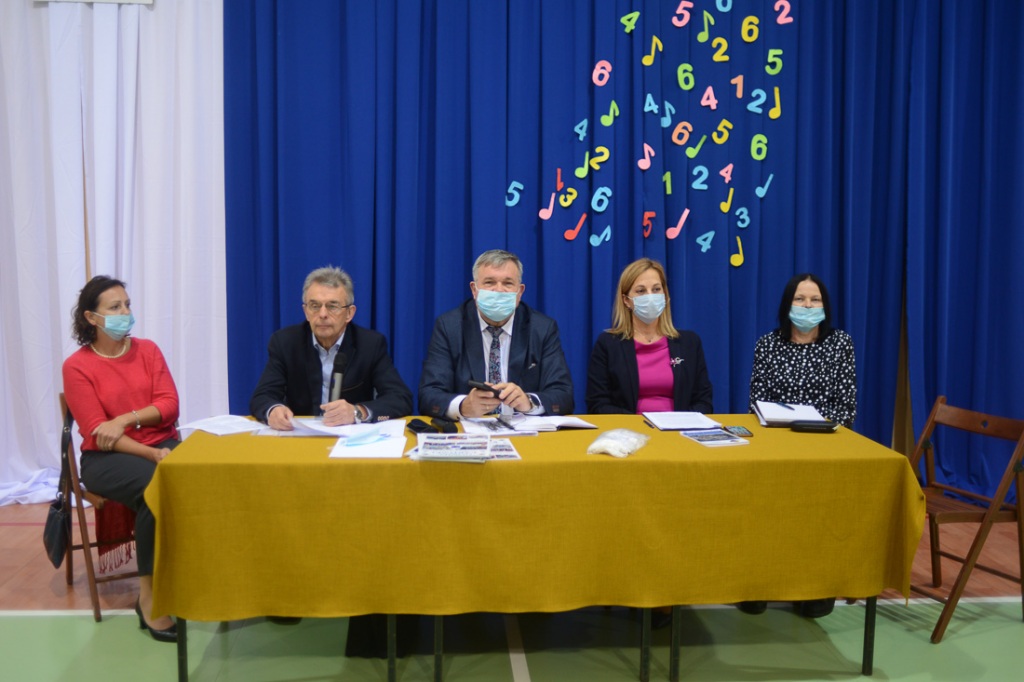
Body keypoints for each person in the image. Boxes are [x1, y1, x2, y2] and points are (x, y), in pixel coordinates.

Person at [61, 276, 180, 643]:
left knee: (203, 479)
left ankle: (190, 581)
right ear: (91, 317)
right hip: (106, 459)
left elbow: (169, 405)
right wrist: (151, 452)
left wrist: (126, 419)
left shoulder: (148, 351)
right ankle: (149, 599)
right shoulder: (77, 366)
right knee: (154, 488)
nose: (125, 312)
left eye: (127, 304)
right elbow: (99, 433)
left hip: (162, 443)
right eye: (115, 307)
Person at [740, 272, 857, 619]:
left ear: (825, 305)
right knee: (766, 509)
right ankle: (759, 582)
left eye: (815, 299)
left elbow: (845, 408)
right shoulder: (768, 344)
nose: (807, 306)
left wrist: (811, 430)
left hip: (824, 448)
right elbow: (757, 404)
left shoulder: (840, 344)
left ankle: (815, 585)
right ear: (787, 305)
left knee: (817, 514)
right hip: (776, 447)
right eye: (800, 299)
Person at [249, 266, 413, 429]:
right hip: (300, 436)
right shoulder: (285, 342)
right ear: (306, 311)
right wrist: (273, 410)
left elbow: (400, 399)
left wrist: (357, 412)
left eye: (332, 306)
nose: (322, 314)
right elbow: (262, 396)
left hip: (350, 437)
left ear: (349, 313)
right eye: (315, 306)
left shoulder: (370, 344)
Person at [419, 249, 574, 418]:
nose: (499, 290)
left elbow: (563, 395)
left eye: (508, 283)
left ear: (520, 292)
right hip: (471, 429)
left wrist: (529, 402)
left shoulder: (541, 328)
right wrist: (463, 406)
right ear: (474, 289)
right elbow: (429, 395)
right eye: (489, 282)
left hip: (524, 429)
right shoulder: (449, 327)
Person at [586, 258, 713, 414]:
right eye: (641, 291)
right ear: (626, 301)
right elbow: (598, 404)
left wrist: (680, 423)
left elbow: (703, 401)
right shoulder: (608, 344)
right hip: (629, 428)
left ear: (665, 295)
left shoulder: (689, 343)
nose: (650, 296)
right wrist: (639, 423)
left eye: (656, 289)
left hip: (679, 428)